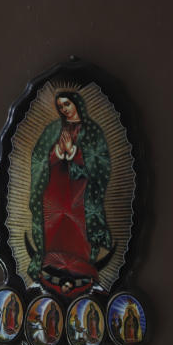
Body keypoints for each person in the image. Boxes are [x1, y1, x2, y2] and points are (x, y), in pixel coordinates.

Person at [27, 91, 112, 299]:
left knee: (77, 224)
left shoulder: (92, 131)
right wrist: (57, 152)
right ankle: (51, 266)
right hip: (54, 188)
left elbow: (101, 163)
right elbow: (39, 157)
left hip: (80, 190)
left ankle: (81, 270)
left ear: (77, 104)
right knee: (54, 222)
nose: (64, 109)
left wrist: (74, 152)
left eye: (67, 104)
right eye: (60, 106)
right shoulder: (54, 129)